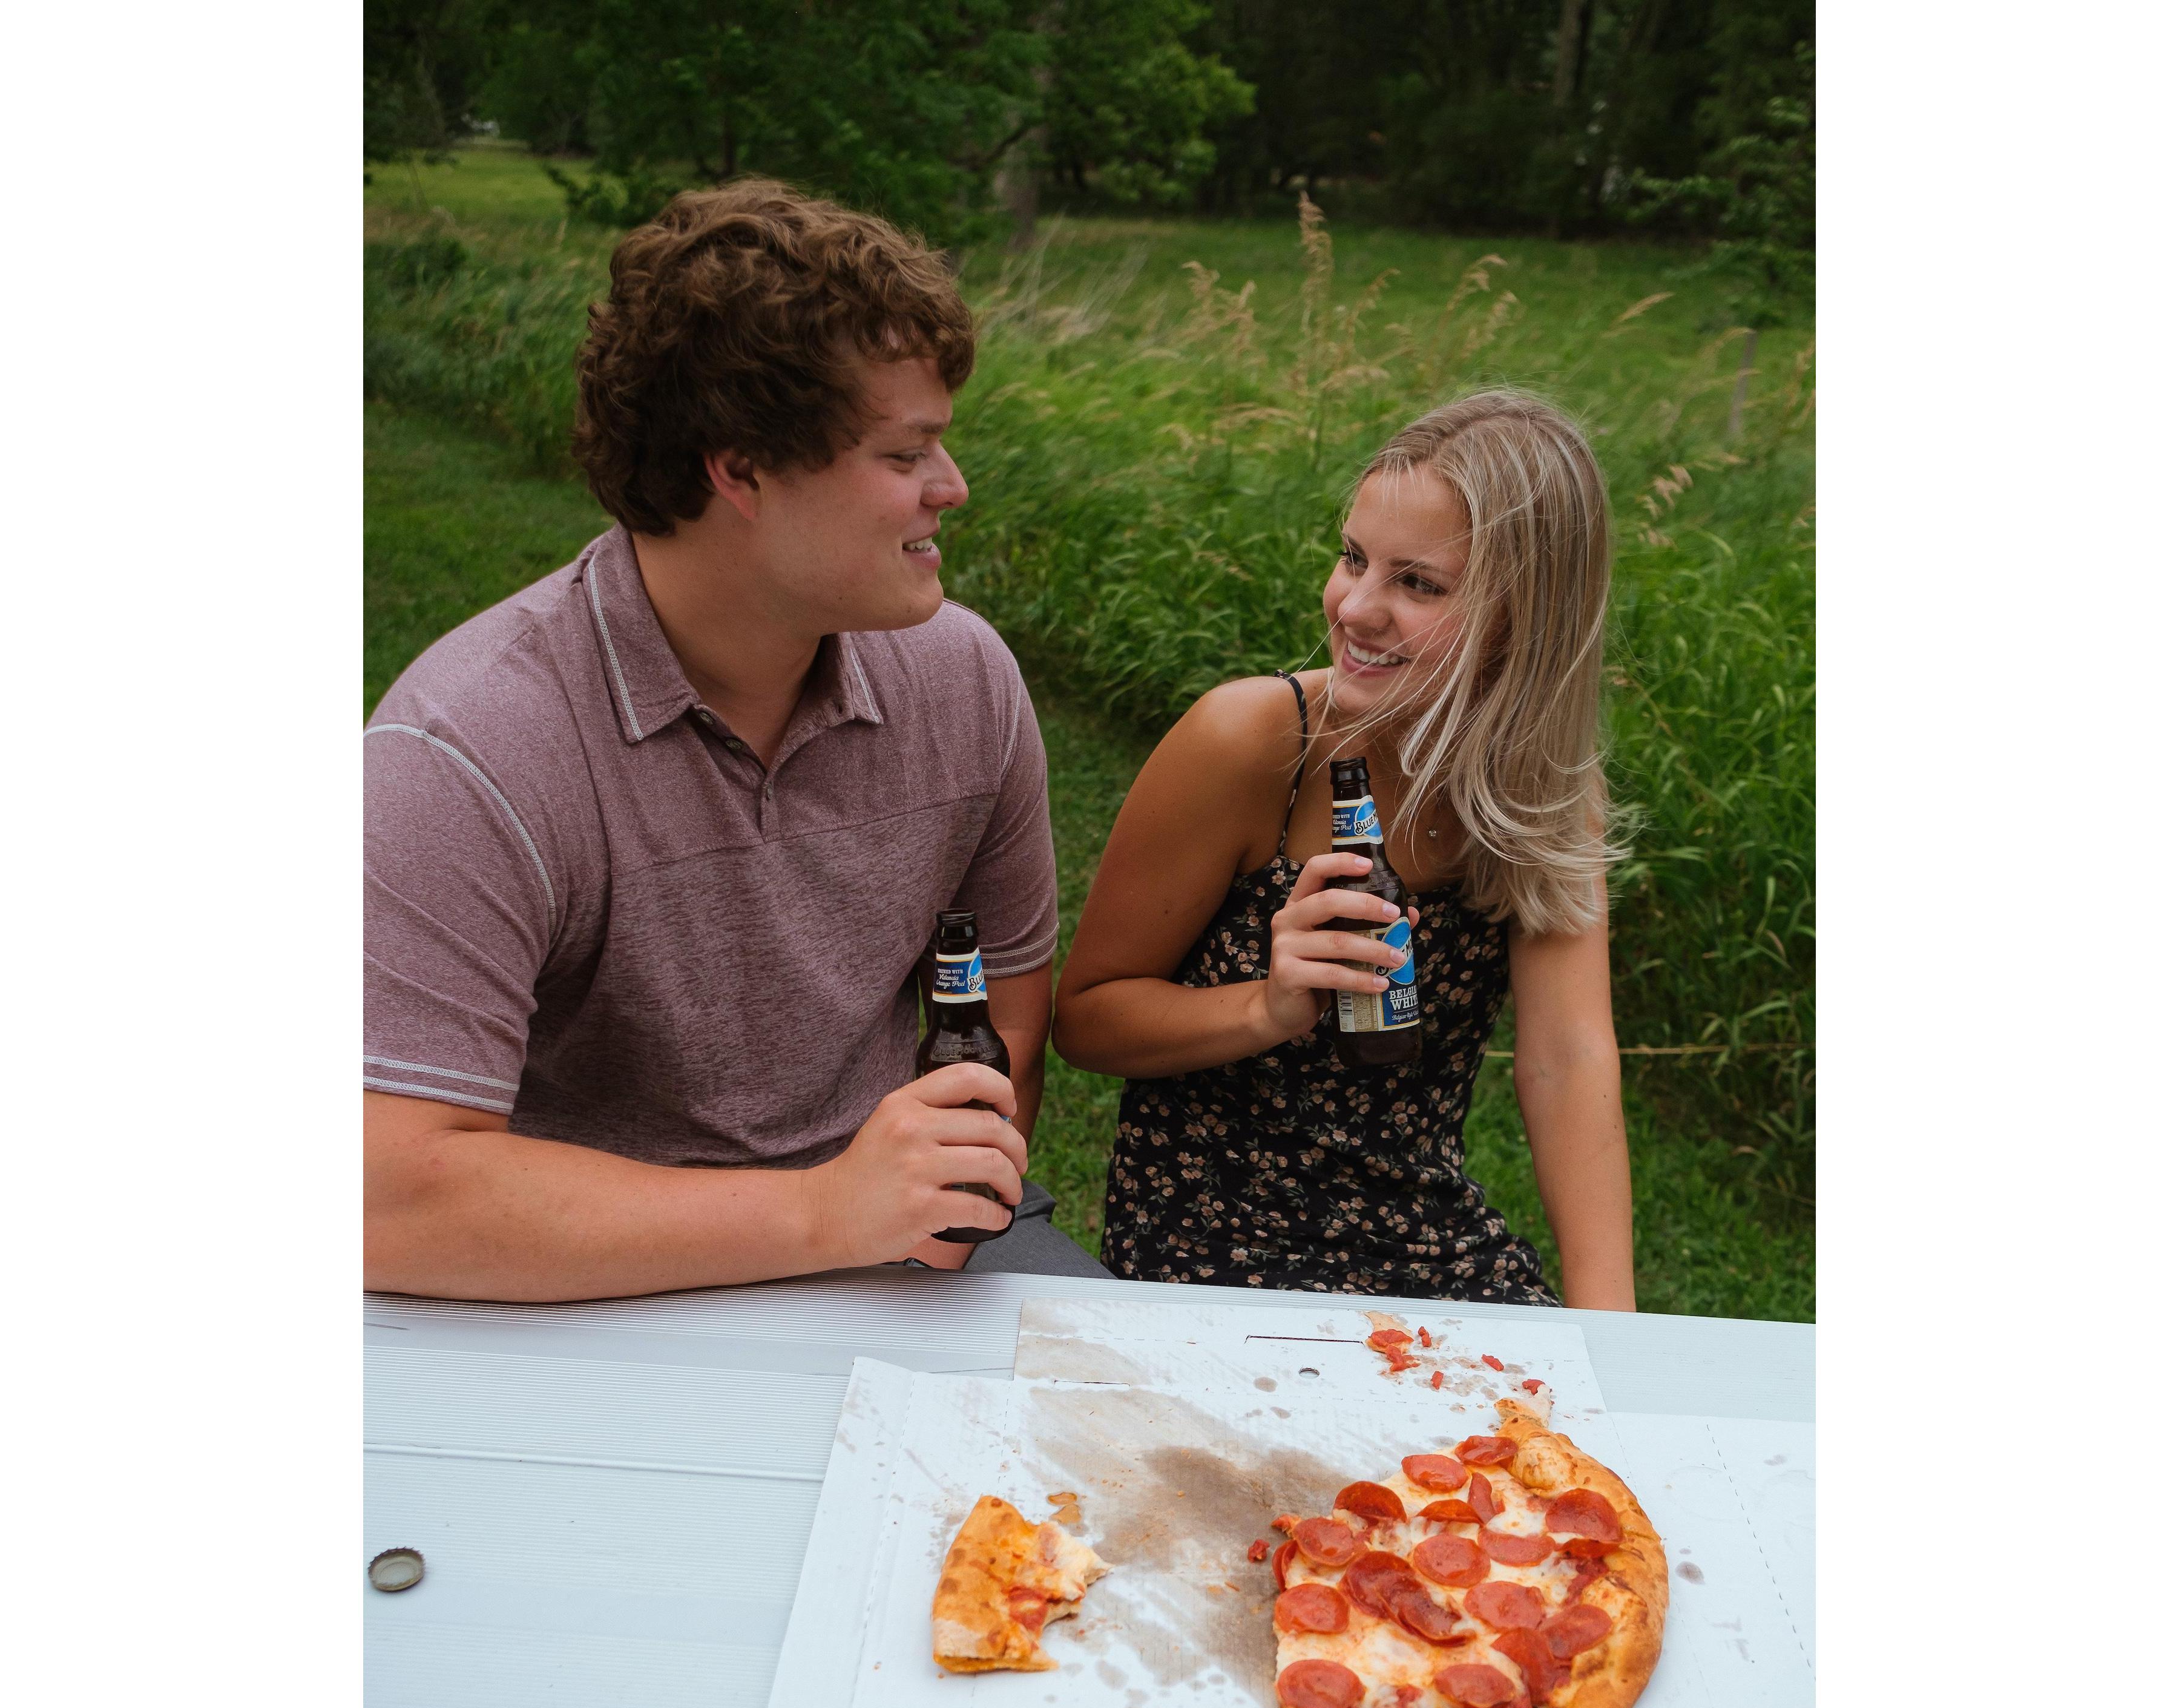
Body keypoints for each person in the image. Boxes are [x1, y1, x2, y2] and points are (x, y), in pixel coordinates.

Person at [365, 180, 1110, 1300]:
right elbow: (387, 1199)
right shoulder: (469, 749)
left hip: (900, 1253)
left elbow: (1006, 1012)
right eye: (905, 455)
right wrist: (821, 1213)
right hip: (574, 1285)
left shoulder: (964, 683)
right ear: (743, 470)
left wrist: (933, 1210)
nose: (951, 489)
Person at [1053, 391, 1635, 1307]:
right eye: (1354, 558)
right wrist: (1266, 1008)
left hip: (1426, 1235)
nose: (1356, 607)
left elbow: (1569, 1058)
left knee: (1536, 1403)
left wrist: (1614, 1333)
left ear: (1525, 617)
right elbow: (1087, 1021)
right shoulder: (1252, 741)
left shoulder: (1543, 787)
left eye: (1418, 584)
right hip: (1214, 1241)